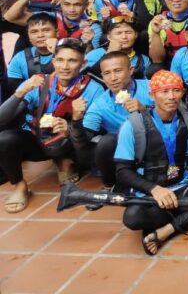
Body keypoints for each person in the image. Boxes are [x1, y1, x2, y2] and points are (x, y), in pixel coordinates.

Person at [113, 70, 188, 255]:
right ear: (152, 95)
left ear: (183, 93)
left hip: (182, 188)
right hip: (152, 195)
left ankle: (167, 230)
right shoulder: (133, 125)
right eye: (164, 91)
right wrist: (154, 189)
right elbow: (122, 171)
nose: (171, 96)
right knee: (132, 218)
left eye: (176, 90)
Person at [0, 38, 105, 213]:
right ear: (53, 61)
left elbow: (89, 134)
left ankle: (65, 160)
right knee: (4, 139)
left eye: (72, 60)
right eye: (60, 60)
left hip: (70, 144)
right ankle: (19, 185)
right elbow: (2, 119)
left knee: (86, 141)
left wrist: (70, 128)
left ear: (83, 63)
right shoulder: (38, 82)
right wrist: (20, 92)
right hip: (38, 140)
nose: (65, 66)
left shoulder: (94, 89)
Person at [70, 51, 152, 189]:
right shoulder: (100, 104)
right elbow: (82, 143)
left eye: (118, 71)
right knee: (105, 142)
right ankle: (111, 185)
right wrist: (76, 120)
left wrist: (145, 110)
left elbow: (175, 117)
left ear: (131, 70)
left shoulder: (151, 87)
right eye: (107, 73)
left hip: (155, 143)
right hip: (126, 150)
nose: (113, 78)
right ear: (102, 76)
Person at [4, 0, 102, 49]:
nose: (72, 9)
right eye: (67, 4)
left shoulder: (92, 28)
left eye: (77, 4)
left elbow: (92, 59)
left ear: (86, 5)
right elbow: (10, 17)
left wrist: (88, 44)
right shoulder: (49, 18)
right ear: (60, 3)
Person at [84, 17, 151, 79]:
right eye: (119, 33)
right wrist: (110, 53)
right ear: (109, 37)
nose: (124, 37)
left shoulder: (143, 60)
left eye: (128, 32)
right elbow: (86, 78)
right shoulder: (96, 54)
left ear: (136, 35)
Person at [7, 13, 57, 93]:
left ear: (57, 32)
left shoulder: (71, 52)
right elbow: (16, 92)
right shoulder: (19, 58)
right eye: (34, 32)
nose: (40, 35)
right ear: (28, 36)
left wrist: (58, 52)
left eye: (46, 30)